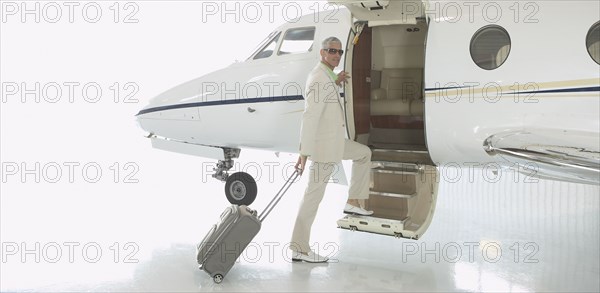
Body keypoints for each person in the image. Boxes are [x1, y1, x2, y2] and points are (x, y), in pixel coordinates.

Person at [290, 36, 373, 263]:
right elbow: (310, 117)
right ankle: (299, 248)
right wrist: (304, 152)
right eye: (331, 51)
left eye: (339, 52)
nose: (336, 55)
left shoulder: (327, 76)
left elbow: (327, 86)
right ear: (322, 52)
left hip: (335, 142)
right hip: (323, 149)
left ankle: (354, 202)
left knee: (364, 153)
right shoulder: (318, 79)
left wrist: (337, 79)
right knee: (312, 197)